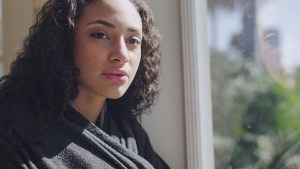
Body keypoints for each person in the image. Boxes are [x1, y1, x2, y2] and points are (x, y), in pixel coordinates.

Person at [0, 0, 169, 168]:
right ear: (63, 41)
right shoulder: (12, 130)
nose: (122, 54)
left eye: (132, 40)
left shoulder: (127, 129)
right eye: (100, 35)